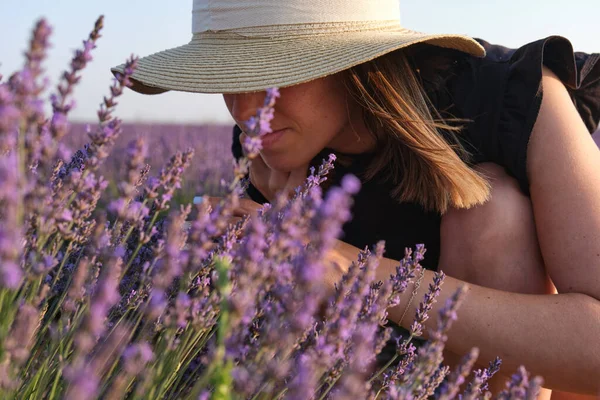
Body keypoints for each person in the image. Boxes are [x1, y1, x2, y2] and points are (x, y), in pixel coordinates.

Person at [112, 0, 600, 398]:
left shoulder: (510, 97)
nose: (244, 111)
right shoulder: (271, 139)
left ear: (352, 62)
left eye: (270, 74)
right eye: (227, 78)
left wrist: (349, 269)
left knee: (489, 208)